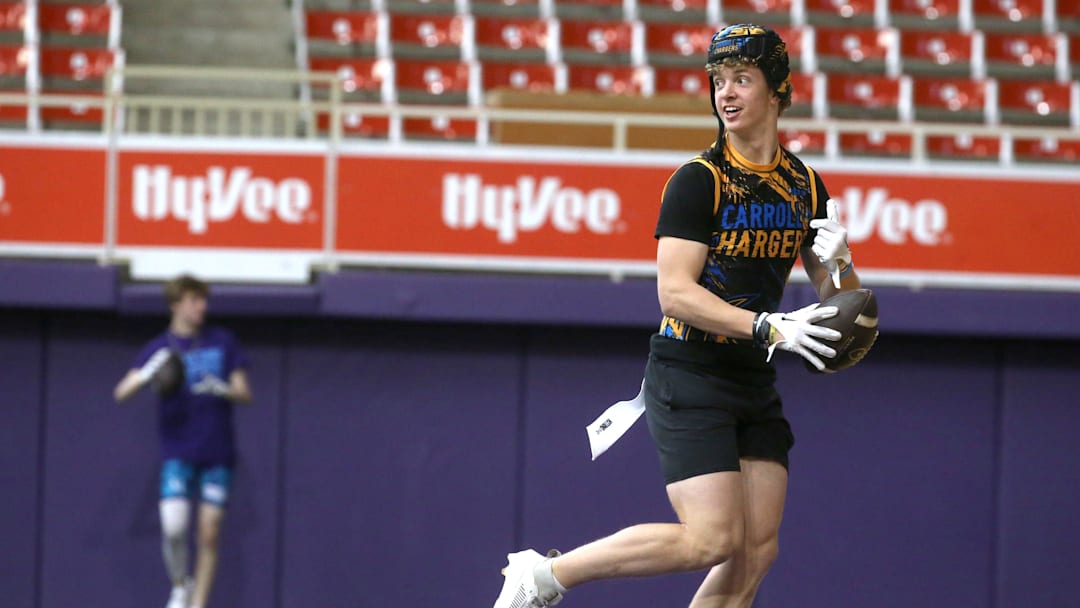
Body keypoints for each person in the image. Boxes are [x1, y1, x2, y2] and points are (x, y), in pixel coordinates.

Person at [492, 24, 862, 608]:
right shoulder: (699, 180)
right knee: (710, 540)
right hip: (689, 370)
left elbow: (844, 305)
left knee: (756, 550)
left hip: (752, 377)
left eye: (743, 78)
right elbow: (675, 295)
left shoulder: (805, 186)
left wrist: (839, 264)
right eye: (719, 81)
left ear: (779, 90)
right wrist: (768, 325)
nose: (727, 93)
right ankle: (544, 576)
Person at [113, 274, 252, 608]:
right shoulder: (159, 348)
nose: (201, 307)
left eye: (204, 301)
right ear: (176, 304)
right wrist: (147, 374)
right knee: (174, 526)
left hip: (217, 452)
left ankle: (198, 603)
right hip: (178, 451)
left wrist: (223, 388)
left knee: (209, 532)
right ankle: (180, 583)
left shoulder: (222, 342)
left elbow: (245, 392)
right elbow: (121, 393)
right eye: (194, 301)